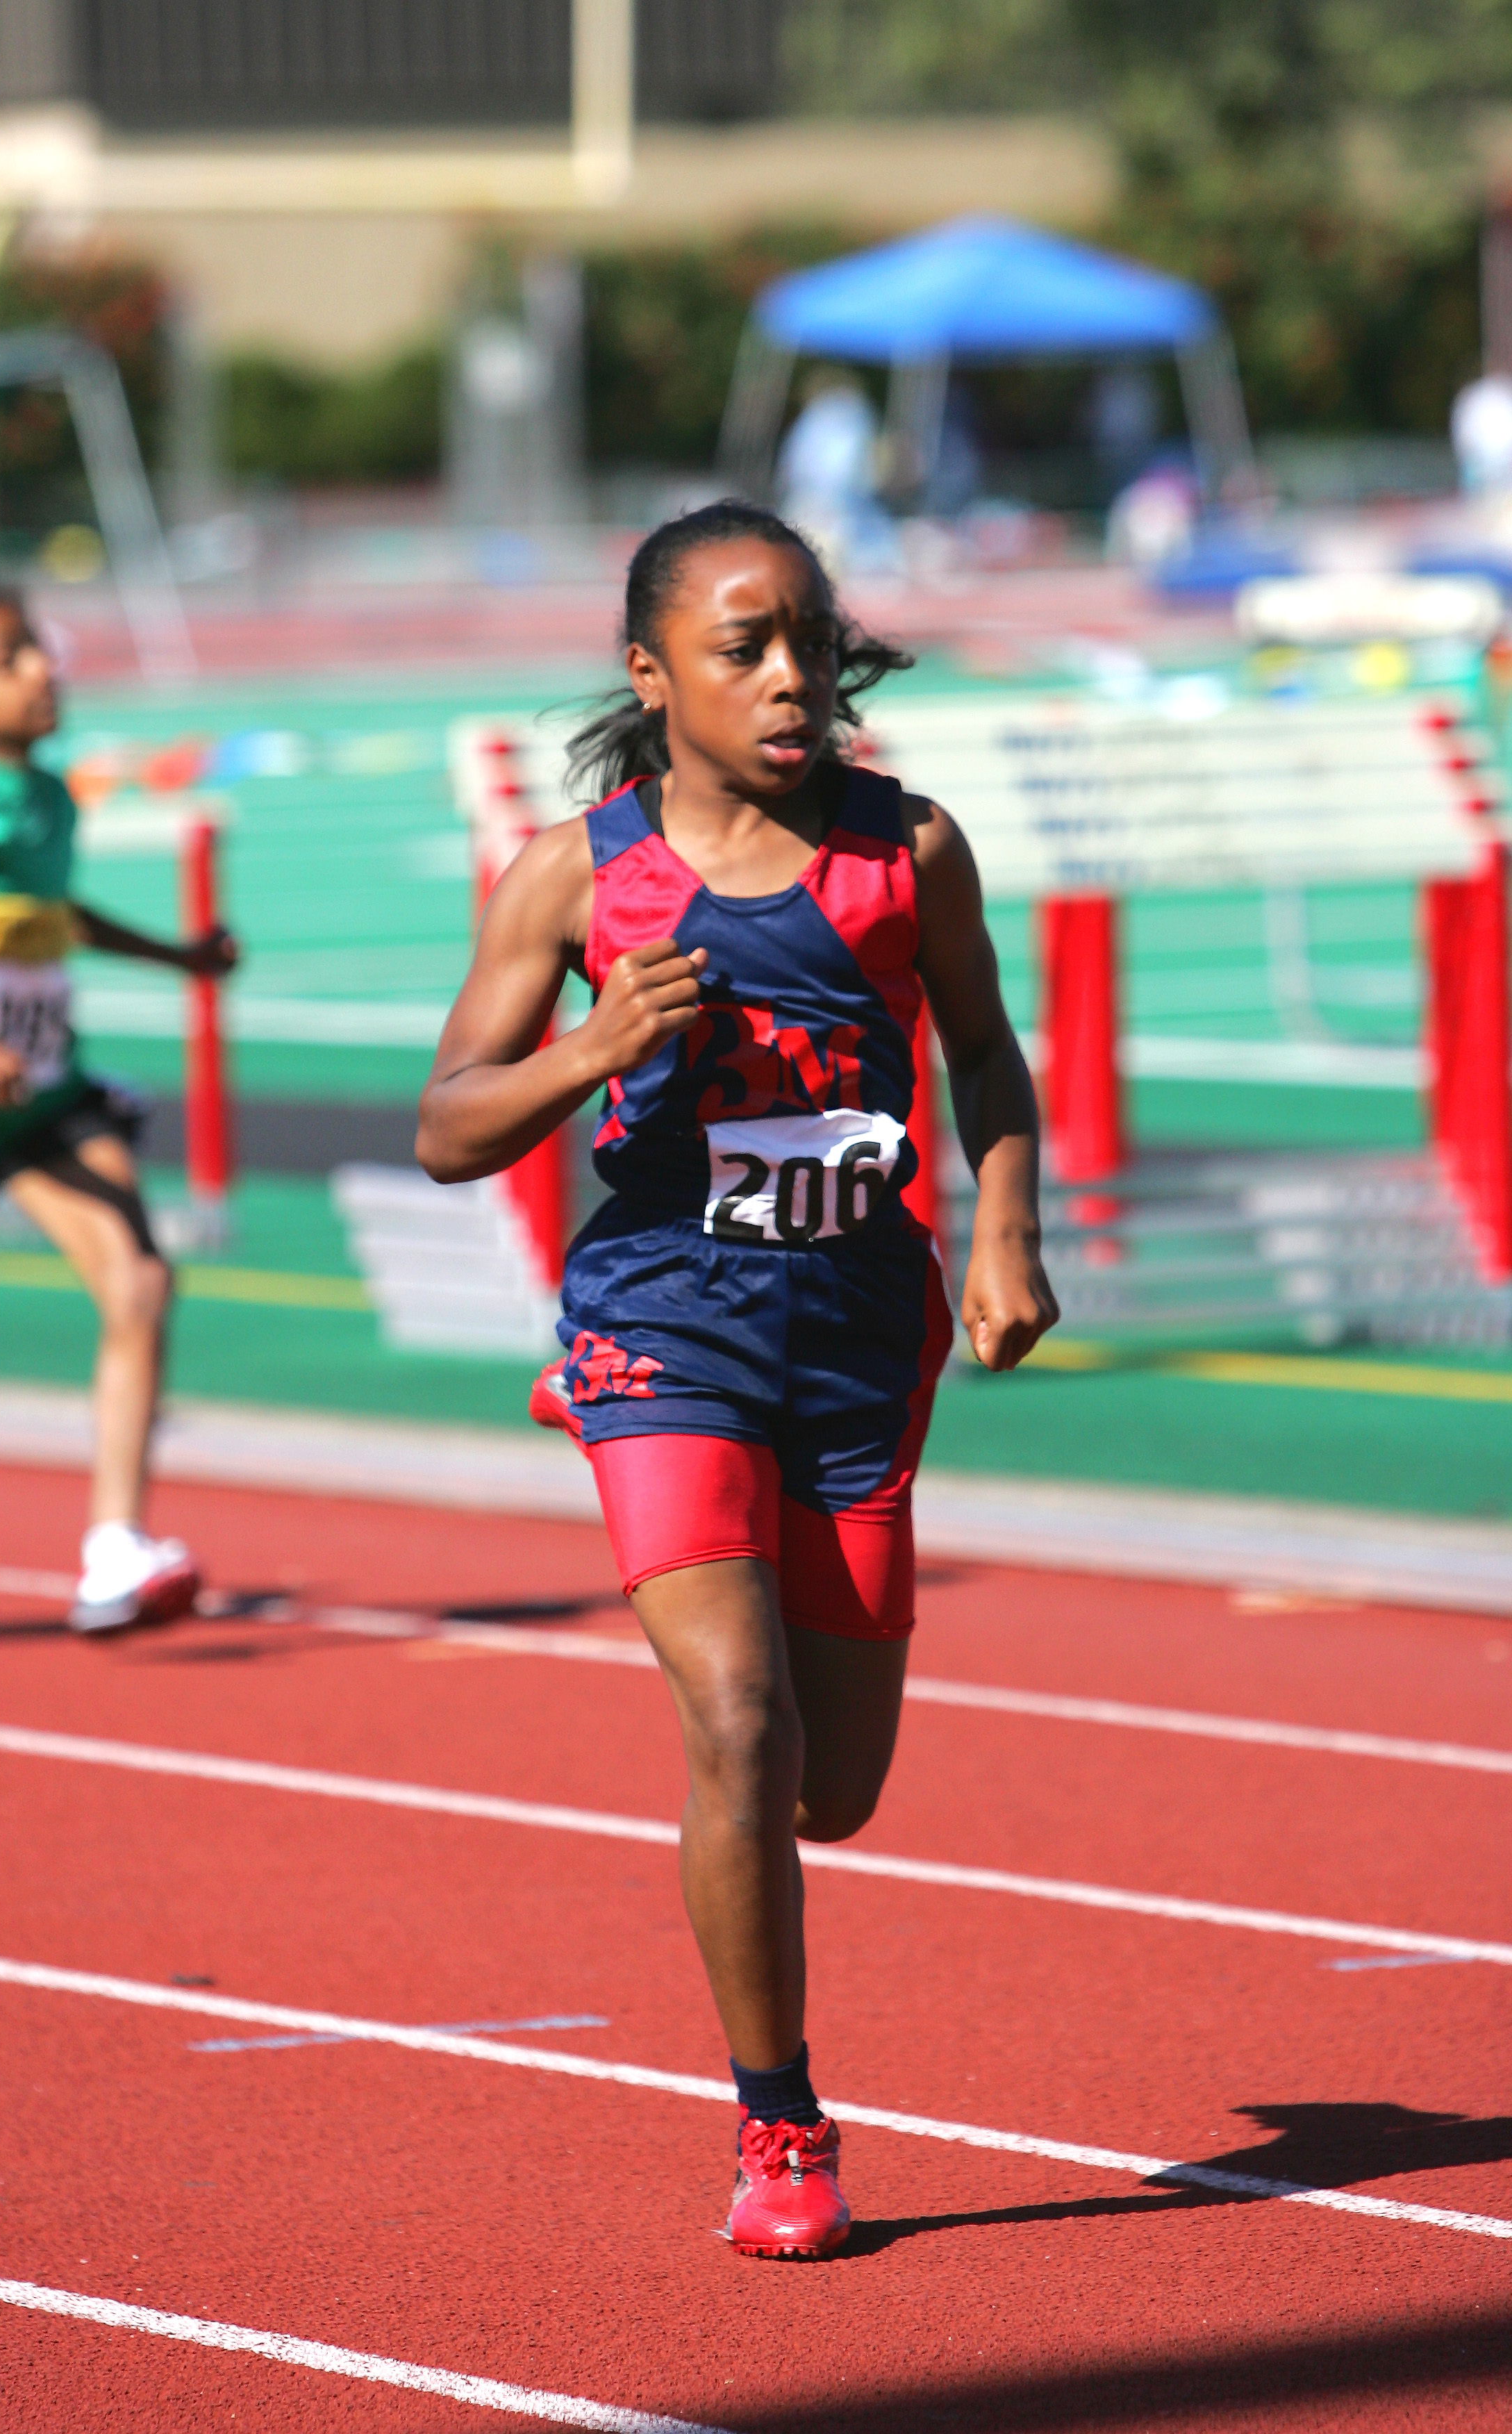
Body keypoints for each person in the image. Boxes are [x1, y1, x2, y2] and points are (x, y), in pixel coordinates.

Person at [417, 500, 1056, 2257]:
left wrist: (1003, 1230)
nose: (790, 680)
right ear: (652, 676)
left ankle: (750, 1866)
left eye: (808, 645)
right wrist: (591, 1049)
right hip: (666, 1321)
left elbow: (986, 1056)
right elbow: (448, 1126)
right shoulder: (575, 877)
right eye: (743, 649)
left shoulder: (907, 849)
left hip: (856, 1327)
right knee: (738, 1720)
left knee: (829, 1795)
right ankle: (782, 2130)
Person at [0, 582, 237, 1632]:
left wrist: (174, 956)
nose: (44, 667)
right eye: (9, 659)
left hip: (34, 1099)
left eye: (39, 648)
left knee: (139, 1278)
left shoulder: (48, 796)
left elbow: (52, 913)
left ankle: (113, 1550)